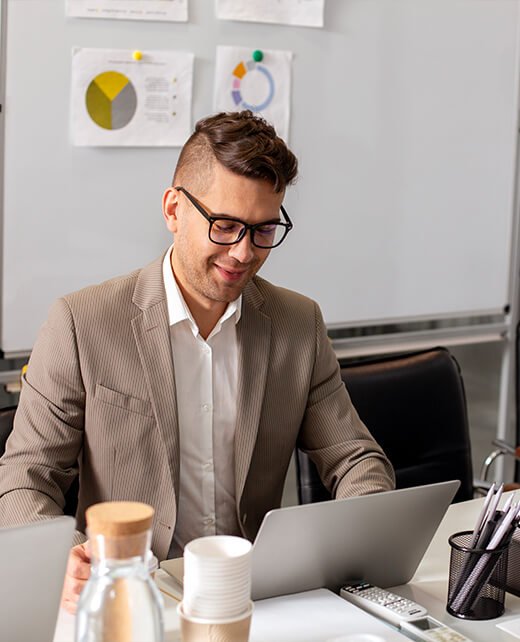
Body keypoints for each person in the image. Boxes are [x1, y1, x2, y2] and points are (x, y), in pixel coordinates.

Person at [0, 111, 394, 612]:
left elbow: (356, 458)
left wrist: (359, 533)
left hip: (253, 596)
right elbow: (24, 477)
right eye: (225, 225)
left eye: (263, 229)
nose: (243, 253)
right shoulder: (81, 322)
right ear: (173, 209)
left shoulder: (299, 324)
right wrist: (62, 560)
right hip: (130, 594)